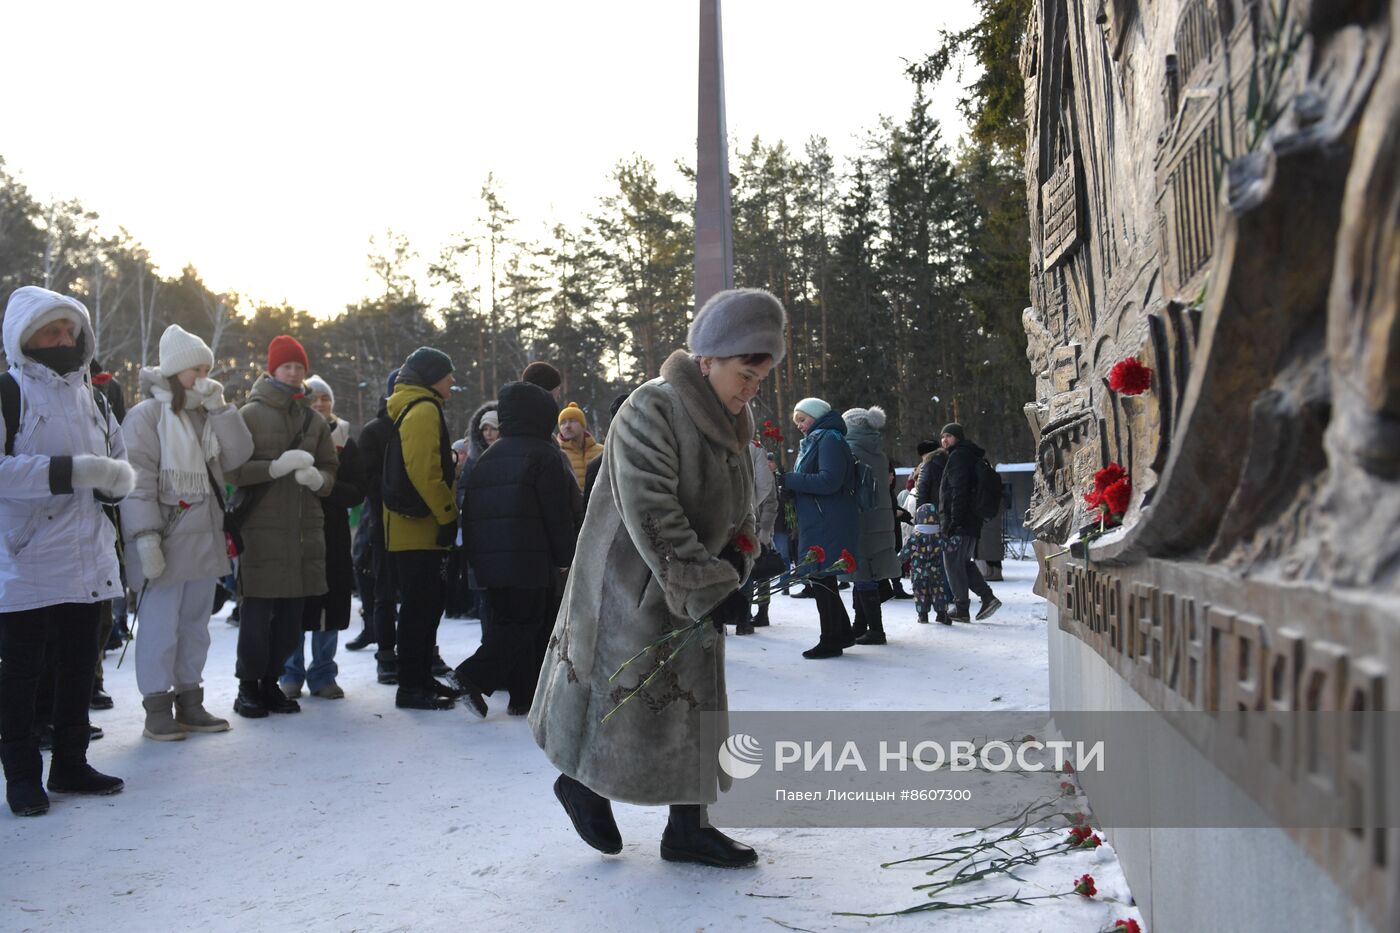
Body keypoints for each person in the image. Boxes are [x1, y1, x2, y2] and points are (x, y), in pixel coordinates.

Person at [532, 287, 786, 869]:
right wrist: (707, 583)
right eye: (746, 373)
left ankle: (689, 827)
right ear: (709, 359)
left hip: (696, 581)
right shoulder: (653, 407)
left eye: (760, 377)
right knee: (628, 697)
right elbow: (652, 509)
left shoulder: (733, 417)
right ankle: (583, 784)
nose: (752, 388)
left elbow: (742, 502)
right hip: (631, 588)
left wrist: (743, 557)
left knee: (695, 705)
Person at [0, 286, 132, 815]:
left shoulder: (95, 397)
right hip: (24, 557)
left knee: (80, 665)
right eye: (51, 331)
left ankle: (71, 764)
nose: (64, 339)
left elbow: (118, 461)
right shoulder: (8, 392)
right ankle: (22, 775)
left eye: (70, 330)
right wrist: (73, 472)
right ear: (24, 336)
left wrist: (115, 482)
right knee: (22, 673)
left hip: (88, 554)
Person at [121, 324, 254, 740]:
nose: (202, 376)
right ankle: (157, 707)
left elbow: (239, 456)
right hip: (164, 540)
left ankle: (190, 701)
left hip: (204, 538)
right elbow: (136, 479)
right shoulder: (146, 417)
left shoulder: (206, 415)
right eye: (194, 369)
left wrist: (222, 410)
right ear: (174, 371)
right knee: (159, 630)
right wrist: (144, 536)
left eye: (205, 368)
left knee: (195, 626)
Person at [224, 335, 338, 718]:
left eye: (299, 368)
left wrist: (317, 479)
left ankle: (271, 683)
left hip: (305, 533)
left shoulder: (312, 418)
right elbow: (233, 471)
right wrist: (273, 468)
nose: (293, 373)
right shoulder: (249, 414)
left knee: (291, 624)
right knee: (256, 620)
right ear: (272, 370)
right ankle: (248, 687)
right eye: (287, 366)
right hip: (261, 533)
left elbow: (330, 469)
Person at [455, 380, 579, 717]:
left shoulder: (488, 456)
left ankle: (523, 696)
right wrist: (566, 557)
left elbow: (473, 514)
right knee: (526, 625)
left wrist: (476, 562)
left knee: (510, 625)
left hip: (491, 563)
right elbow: (557, 514)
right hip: (529, 560)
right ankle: (472, 674)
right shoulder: (545, 455)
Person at [382, 347, 459, 711]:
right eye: (447, 374)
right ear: (431, 377)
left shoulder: (416, 406)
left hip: (409, 528)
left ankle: (419, 678)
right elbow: (424, 471)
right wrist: (447, 515)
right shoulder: (423, 409)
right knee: (420, 609)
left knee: (422, 609)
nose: (452, 380)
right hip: (420, 529)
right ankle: (411, 685)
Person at [280, 375, 362, 701]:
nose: (320, 404)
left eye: (325, 399)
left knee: (329, 604)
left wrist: (324, 487)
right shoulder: (290, 434)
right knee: (296, 603)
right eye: (314, 399)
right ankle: (291, 672)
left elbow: (357, 490)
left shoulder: (346, 440)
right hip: (296, 530)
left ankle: (324, 672)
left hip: (333, 532)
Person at [784, 397, 860, 659]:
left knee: (821, 577)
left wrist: (789, 479)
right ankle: (841, 633)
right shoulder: (820, 439)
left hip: (826, 521)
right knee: (822, 577)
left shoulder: (829, 439)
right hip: (819, 519)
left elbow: (829, 481)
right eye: (797, 422)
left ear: (816, 416)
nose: (800, 426)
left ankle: (831, 639)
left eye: (802, 420)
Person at [346, 370, 399, 679]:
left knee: (417, 595)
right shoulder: (375, 430)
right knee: (380, 589)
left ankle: (420, 651)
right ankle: (384, 651)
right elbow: (368, 481)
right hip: (379, 521)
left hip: (414, 526)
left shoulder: (421, 423)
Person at [842, 407, 901, 645]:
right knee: (865, 572)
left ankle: (875, 629)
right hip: (880, 516)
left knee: (863, 573)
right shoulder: (878, 451)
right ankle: (861, 625)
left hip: (863, 517)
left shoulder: (852, 449)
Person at [937, 423, 1001, 623]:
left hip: (961, 521)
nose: (944, 440)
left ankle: (962, 608)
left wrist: (954, 521)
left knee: (952, 563)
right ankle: (987, 598)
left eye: (949, 436)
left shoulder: (958, 457)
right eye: (943, 436)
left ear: (958, 437)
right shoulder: (969, 454)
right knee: (962, 562)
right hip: (971, 520)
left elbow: (959, 491)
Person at [899, 504, 955, 624]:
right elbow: (950, 547)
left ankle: (922, 615)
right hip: (936, 572)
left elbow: (905, 553)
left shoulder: (915, 537)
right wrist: (957, 539)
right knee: (938, 592)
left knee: (920, 592)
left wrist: (897, 561)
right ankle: (942, 614)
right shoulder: (939, 537)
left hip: (918, 573)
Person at [556, 403, 604, 490]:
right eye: (563, 423)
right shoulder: (557, 454)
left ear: (583, 425)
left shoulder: (601, 451)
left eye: (572, 421)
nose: (567, 426)